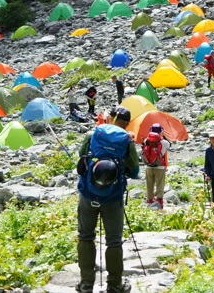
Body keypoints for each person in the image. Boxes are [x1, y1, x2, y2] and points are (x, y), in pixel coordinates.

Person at [76, 106, 140, 293]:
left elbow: (82, 156)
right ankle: (115, 285)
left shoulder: (94, 134)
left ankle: (86, 284)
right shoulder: (127, 141)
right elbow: (135, 172)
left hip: (88, 195)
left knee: (85, 237)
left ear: (111, 118)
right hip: (113, 198)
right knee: (114, 241)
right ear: (127, 123)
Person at [141, 131, 170, 209]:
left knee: (149, 184)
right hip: (159, 166)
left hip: (148, 166)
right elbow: (169, 144)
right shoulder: (164, 142)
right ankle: (159, 200)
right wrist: (164, 136)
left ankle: (149, 200)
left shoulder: (146, 141)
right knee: (160, 184)